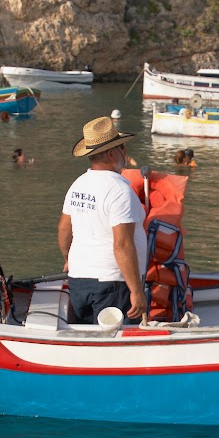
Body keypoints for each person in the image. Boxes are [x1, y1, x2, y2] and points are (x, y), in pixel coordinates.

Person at [58, 116, 148, 325]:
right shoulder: (119, 190)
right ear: (111, 153)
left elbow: (64, 230)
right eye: (122, 148)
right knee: (117, 343)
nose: (125, 152)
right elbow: (123, 245)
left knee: (88, 338)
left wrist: (69, 259)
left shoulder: (78, 184)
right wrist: (136, 291)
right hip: (113, 283)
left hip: (79, 280)